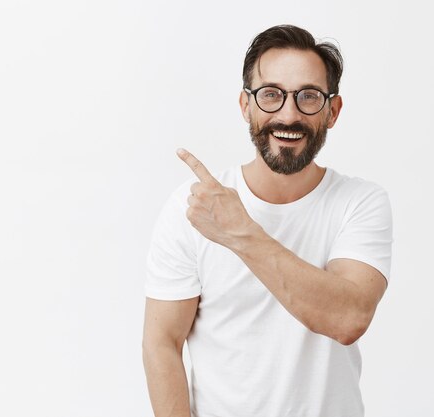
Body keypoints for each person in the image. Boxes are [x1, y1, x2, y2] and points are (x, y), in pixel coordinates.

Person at [142, 24, 393, 417]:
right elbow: (162, 342)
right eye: (271, 95)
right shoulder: (191, 207)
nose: (288, 115)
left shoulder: (359, 203)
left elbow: (348, 318)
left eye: (309, 96)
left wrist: (241, 232)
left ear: (333, 111)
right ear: (246, 105)